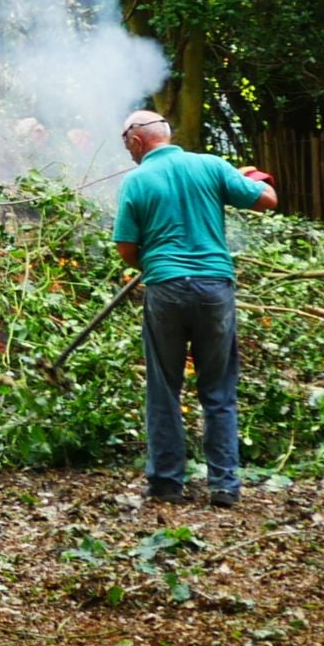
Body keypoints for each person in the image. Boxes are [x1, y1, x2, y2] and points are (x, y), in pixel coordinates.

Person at [114, 109, 279, 506]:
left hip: (166, 290)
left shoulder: (136, 180)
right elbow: (268, 199)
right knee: (219, 389)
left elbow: (126, 249)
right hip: (214, 290)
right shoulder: (211, 166)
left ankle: (168, 483)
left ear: (137, 141)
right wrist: (250, 178)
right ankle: (224, 485)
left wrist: (155, 264)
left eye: (126, 145)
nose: (128, 153)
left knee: (164, 387)